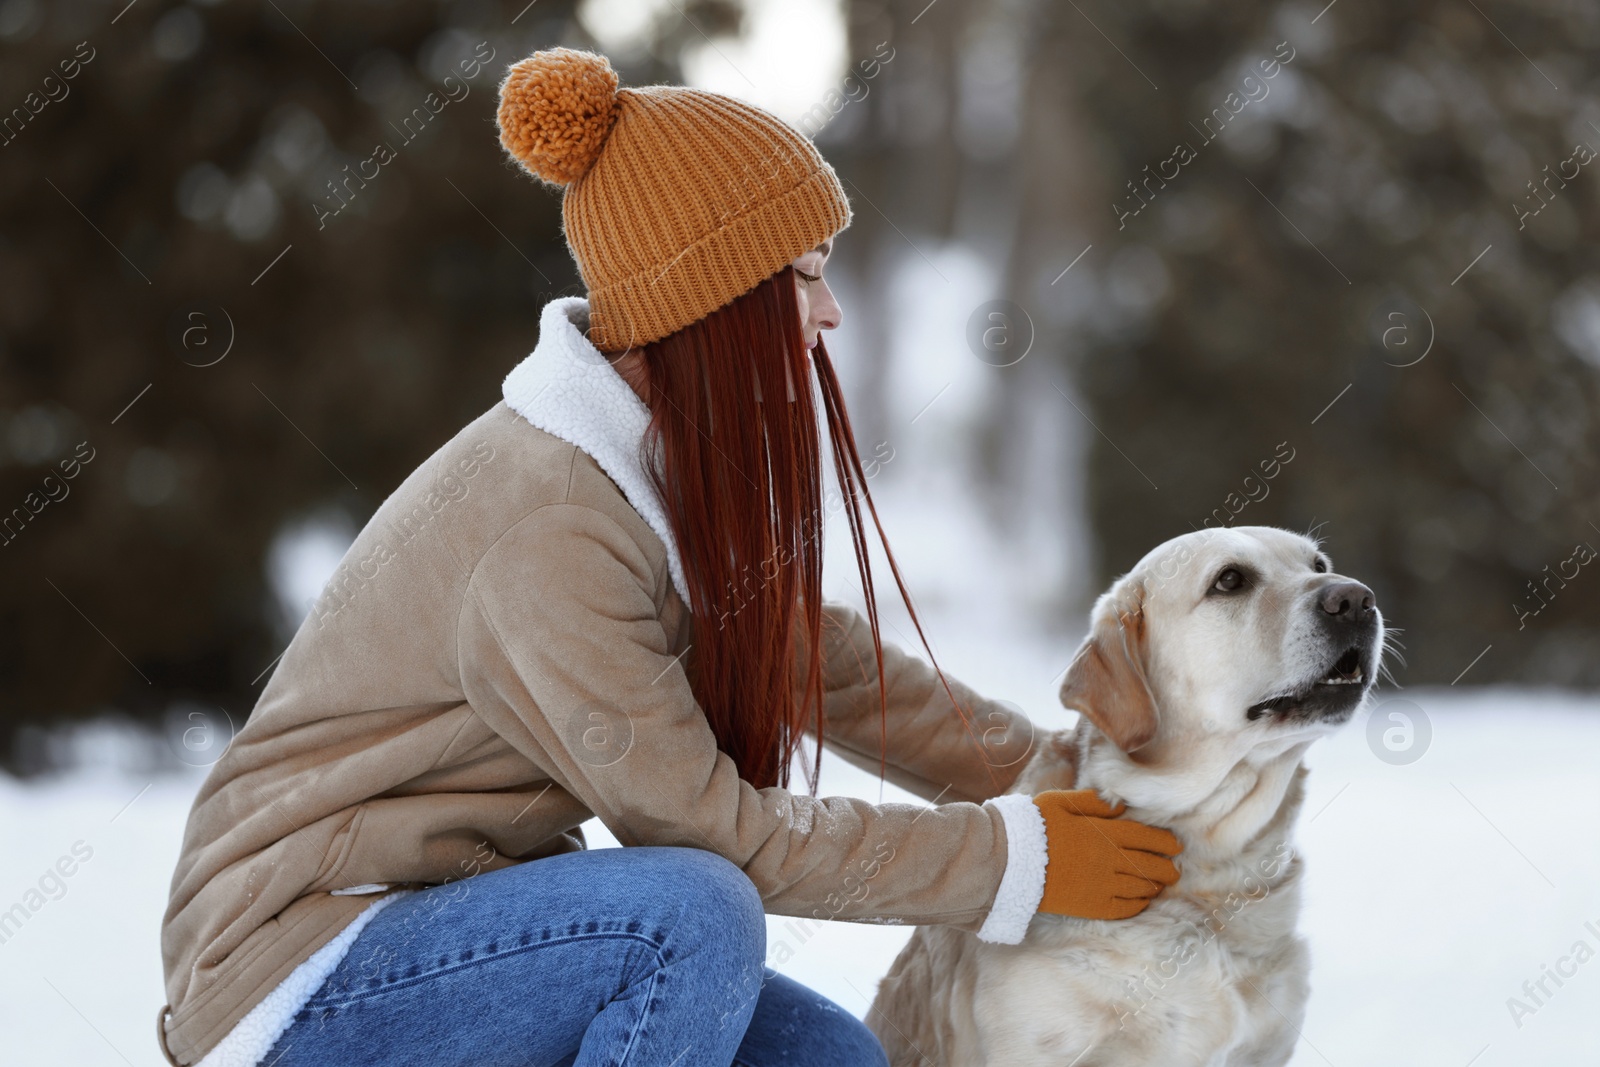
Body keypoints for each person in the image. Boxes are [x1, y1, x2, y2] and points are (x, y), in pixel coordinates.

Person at [156, 47, 1183, 1067]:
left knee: (831, 1058)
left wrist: (1064, 774)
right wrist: (1017, 858)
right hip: (299, 975)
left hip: (458, 928)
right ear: (713, 299)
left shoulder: (649, 471)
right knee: (686, 912)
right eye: (805, 277)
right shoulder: (551, 521)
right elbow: (710, 830)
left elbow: (822, 666)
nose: (829, 313)